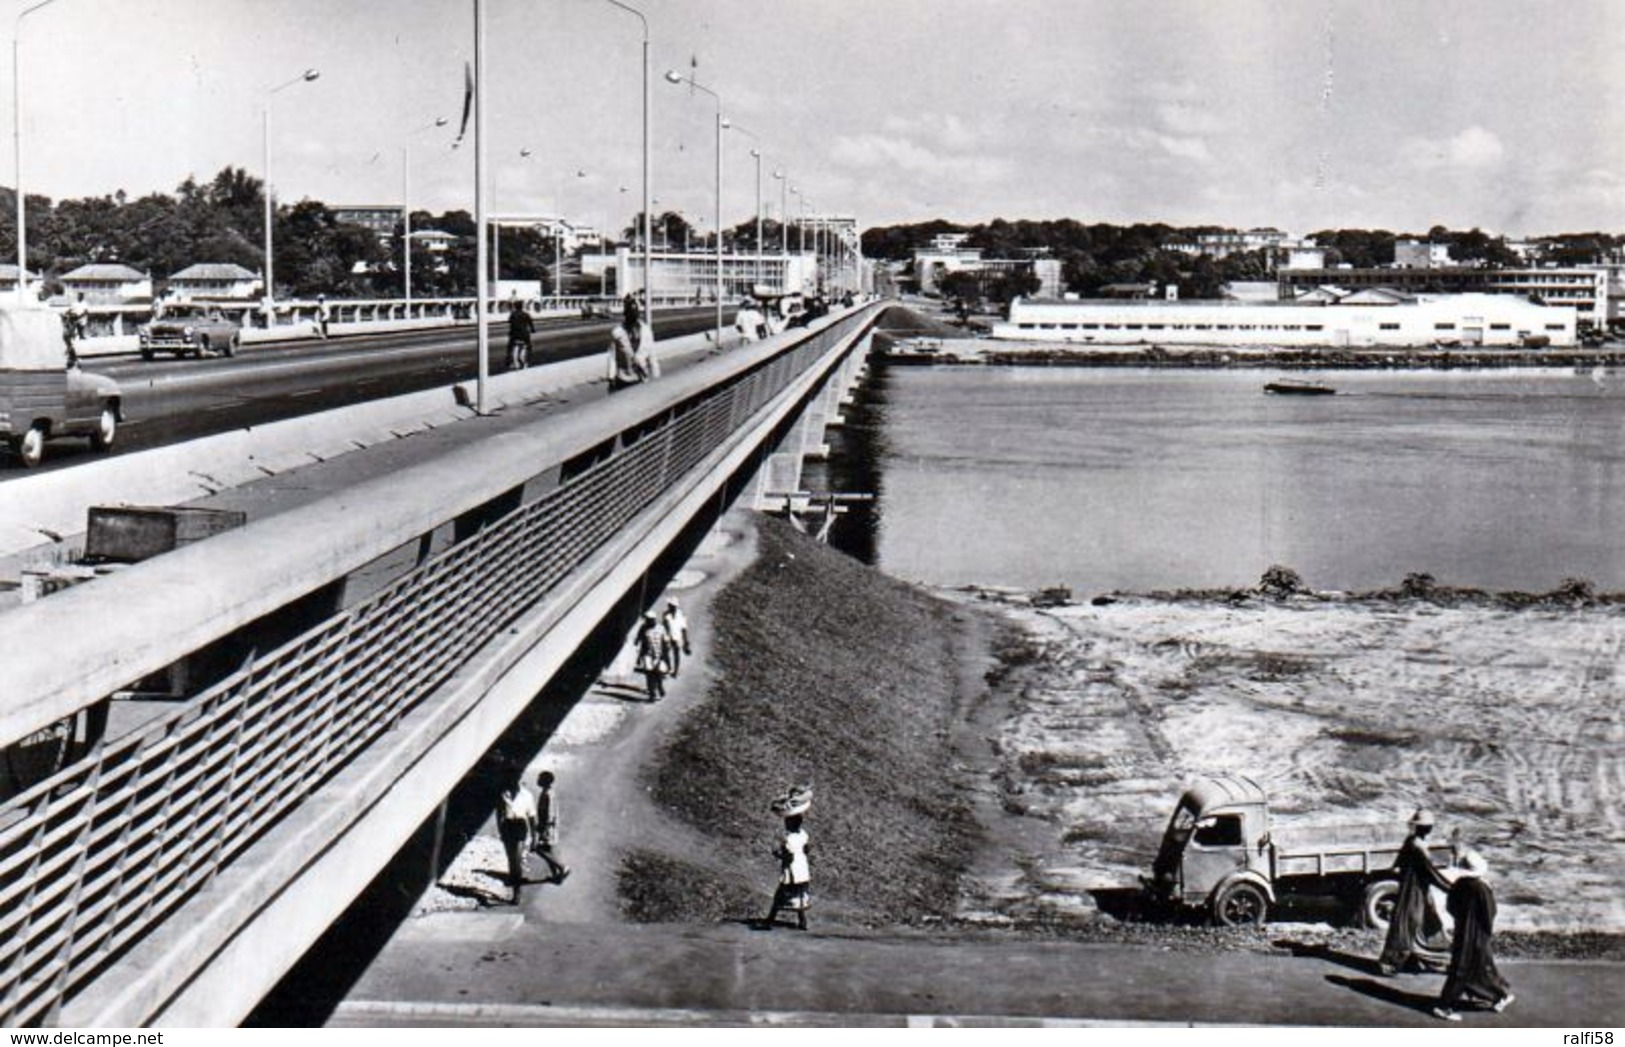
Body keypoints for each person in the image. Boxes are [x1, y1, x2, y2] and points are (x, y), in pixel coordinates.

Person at [1433, 845, 1514, 1021]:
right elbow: (1490, 913)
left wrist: (1461, 920)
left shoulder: (1459, 884)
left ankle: (1496, 996)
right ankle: (1444, 1006)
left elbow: (1450, 907)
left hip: (1462, 930)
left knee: (1462, 965)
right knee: (1475, 965)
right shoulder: (1482, 888)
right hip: (1477, 933)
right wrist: (1485, 931)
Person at [1378, 807, 1453, 975]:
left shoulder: (1410, 841)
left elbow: (1398, 864)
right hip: (1416, 891)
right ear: (1426, 828)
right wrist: (1451, 888)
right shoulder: (1419, 847)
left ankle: (1413, 960)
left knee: (1419, 922)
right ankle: (1395, 962)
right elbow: (1430, 873)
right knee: (1412, 923)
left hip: (1410, 888)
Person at [761, 785, 813, 930]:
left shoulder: (788, 839)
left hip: (791, 873)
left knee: (779, 897)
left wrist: (777, 854)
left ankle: (769, 921)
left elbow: (787, 856)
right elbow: (807, 849)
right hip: (803, 871)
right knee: (800, 896)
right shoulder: (803, 834)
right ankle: (803, 922)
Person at [496, 771, 538, 905]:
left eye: (516, 779)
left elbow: (531, 816)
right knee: (511, 860)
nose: (514, 782)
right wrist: (500, 830)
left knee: (517, 860)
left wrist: (534, 835)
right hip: (507, 827)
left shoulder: (527, 795)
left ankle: (517, 892)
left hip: (520, 826)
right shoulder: (503, 794)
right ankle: (515, 888)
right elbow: (499, 813)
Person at [530, 770, 571, 885]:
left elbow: (549, 814)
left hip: (548, 827)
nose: (537, 780)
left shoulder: (548, 794)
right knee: (548, 851)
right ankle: (556, 877)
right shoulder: (547, 792)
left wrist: (543, 829)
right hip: (547, 826)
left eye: (539, 778)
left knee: (539, 849)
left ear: (544, 781)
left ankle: (563, 867)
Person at [607, 298, 657, 390]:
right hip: (623, 380)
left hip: (641, 379)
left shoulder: (646, 331)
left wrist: (656, 378)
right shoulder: (617, 332)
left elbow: (652, 356)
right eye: (630, 313)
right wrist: (611, 378)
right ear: (625, 314)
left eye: (634, 313)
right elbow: (612, 357)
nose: (632, 316)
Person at [634, 610, 673, 701]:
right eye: (647, 620)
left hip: (659, 655)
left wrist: (666, 655)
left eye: (650, 620)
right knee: (649, 674)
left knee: (658, 673)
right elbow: (640, 642)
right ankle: (652, 694)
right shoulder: (643, 628)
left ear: (654, 620)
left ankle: (659, 686)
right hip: (647, 655)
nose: (648, 621)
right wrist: (639, 657)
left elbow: (666, 642)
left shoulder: (661, 628)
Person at [661, 598, 691, 679]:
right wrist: (665, 637)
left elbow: (684, 629)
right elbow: (665, 626)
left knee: (676, 654)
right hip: (668, 636)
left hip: (677, 637)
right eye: (669, 605)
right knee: (665, 653)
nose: (669, 607)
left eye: (671, 605)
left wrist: (685, 641)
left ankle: (675, 671)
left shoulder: (681, 615)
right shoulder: (665, 615)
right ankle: (668, 668)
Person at [506, 300, 534, 371]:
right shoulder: (526, 314)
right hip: (524, 334)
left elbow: (510, 322)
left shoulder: (513, 314)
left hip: (514, 334)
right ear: (522, 306)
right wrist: (533, 330)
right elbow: (531, 324)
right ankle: (525, 362)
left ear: (515, 307)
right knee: (527, 347)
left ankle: (513, 363)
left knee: (511, 347)